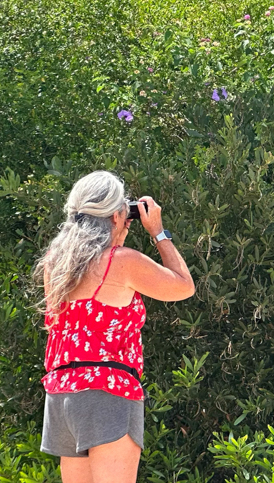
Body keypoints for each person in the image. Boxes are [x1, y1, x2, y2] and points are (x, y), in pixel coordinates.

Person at [34, 170, 195, 483]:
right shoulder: (121, 261)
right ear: (118, 214)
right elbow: (183, 287)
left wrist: (115, 232)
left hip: (63, 394)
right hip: (107, 390)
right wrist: (158, 233)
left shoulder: (55, 263)